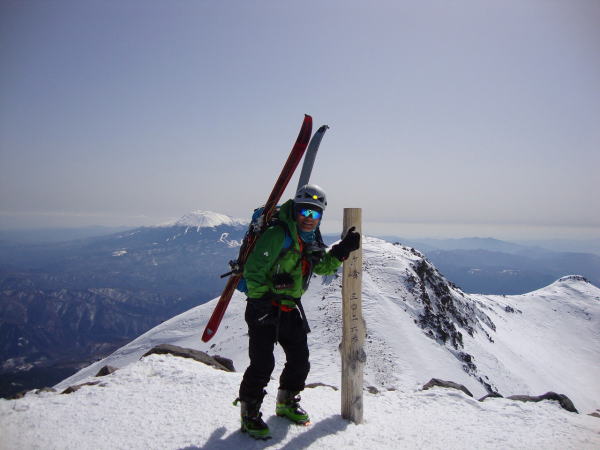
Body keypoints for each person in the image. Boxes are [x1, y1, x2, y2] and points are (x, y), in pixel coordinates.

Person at [234, 184, 361, 439]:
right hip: (263, 307)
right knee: (262, 363)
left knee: (300, 360)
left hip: (288, 307)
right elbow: (254, 271)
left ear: (321, 217)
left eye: (315, 214)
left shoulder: (310, 238)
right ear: (296, 210)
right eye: (304, 211)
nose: (308, 218)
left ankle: (285, 402)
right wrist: (262, 302)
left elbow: (322, 268)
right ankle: (249, 414)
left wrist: (341, 250)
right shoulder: (277, 234)